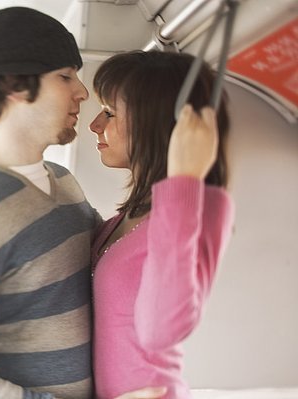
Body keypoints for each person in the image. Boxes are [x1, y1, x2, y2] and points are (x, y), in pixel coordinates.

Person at [0, 7, 167, 399]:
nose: (82, 93)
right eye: (66, 76)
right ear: (16, 84)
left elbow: (118, 259)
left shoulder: (63, 181)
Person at [88, 50, 235, 399]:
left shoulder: (204, 206)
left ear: (151, 120)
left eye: (109, 113)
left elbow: (161, 328)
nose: (95, 124)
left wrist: (185, 178)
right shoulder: (130, 214)